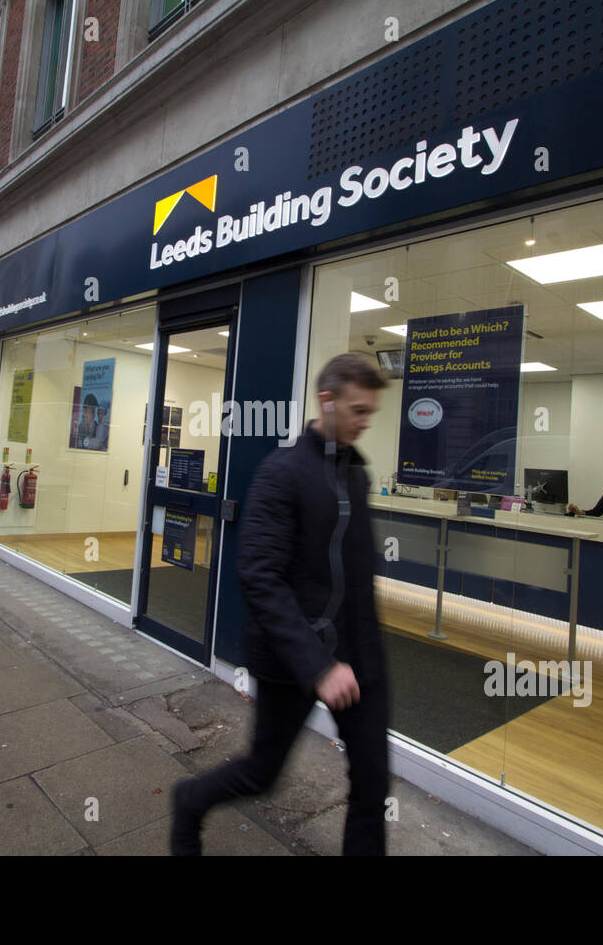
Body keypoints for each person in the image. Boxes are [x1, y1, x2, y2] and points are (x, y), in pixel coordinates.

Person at [171, 353, 390, 856]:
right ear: (326, 400)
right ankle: (190, 800)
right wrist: (318, 666)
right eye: (357, 410)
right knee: (261, 773)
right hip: (293, 659)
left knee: (373, 784)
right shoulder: (283, 472)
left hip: (357, 657)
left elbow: (357, 575)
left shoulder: (356, 474)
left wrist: (368, 658)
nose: (364, 422)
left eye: (369, 413)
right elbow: (261, 578)